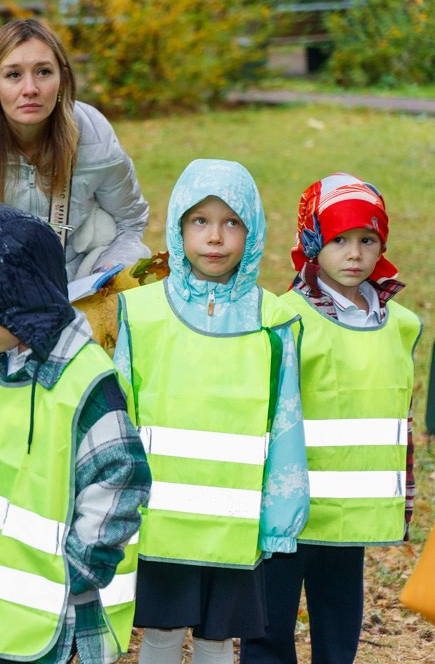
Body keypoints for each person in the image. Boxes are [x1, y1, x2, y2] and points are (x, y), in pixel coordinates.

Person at [0, 202, 151, 664]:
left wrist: (75, 570)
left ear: (18, 304)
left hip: (42, 619)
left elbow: (122, 477)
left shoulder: (86, 383)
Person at [112, 160, 307, 664]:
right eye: (200, 221)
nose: (215, 237)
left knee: (219, 638)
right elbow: (120, 412)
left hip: (235, 522)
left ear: (253, 230)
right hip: (161, 519)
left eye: (231, 222)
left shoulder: (273, 320)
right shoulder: (143, 312)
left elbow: (286, 421)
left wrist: (279, 517)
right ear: (178, 227)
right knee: (159, 629)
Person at [241, 174, 423, 664]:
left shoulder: (398, 323)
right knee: (269, 625)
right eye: (339, 239)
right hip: (287, 510)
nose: (355, 254)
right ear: (312, 243)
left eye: (367, 240)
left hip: (350, 516)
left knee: (340, 627)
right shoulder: (286, 317)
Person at [0, 19, 149, 280]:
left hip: (76, 283)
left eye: (43, 72)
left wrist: (107, 273)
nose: (30, 89)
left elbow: (130, 222)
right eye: (13, 75)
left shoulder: (95, 135)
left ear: (62, 79)